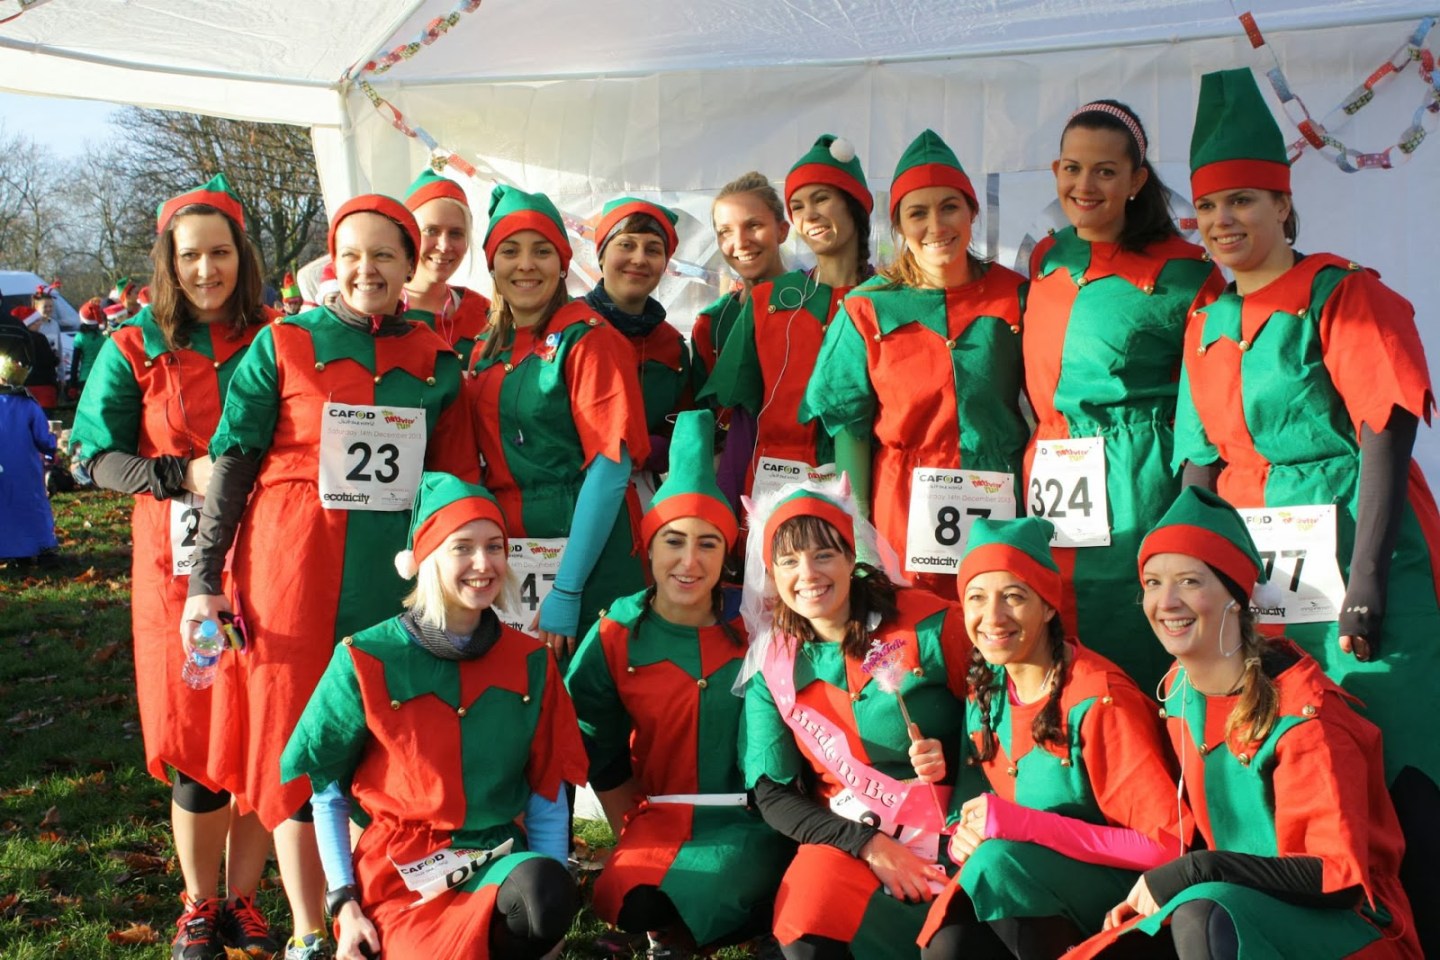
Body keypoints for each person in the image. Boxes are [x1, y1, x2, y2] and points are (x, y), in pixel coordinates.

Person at [1174, 68, 1440, 949]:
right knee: (1296, 755)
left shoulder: (1343, 293)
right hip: (1265, 578)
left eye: (1243, 201)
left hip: (1366, 553)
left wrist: (1367, 583)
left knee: (1398, 752)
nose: (1224, 222)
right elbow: (1199, 476)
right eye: (1209, 207)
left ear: (1284, 205)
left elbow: (1386, 434)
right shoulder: (1205, 321)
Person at [180, 192, 478, 960]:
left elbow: (449, 487)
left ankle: (375, 915)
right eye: (350, 255)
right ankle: (308, 928)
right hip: (290, 574)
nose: (365, 270)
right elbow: (233, 465)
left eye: (383, 255)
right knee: (298, 740)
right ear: (331, 262)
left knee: (385, 737)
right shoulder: (283, 343)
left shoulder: (440, 361)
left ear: (410, 265)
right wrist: (205, 577)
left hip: (392, 582)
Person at [1067, 486, 1421, 959]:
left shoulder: (1306, 718)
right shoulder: (1179, 690)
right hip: (1228, 905)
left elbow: (1337, 879)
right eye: (1152, 582)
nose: (1166, 601)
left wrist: (1199, 869)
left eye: (1189, 582)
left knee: (1203, 915)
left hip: (1348, 930)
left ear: (1235, 598)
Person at [69, 173, 279, 960]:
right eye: (190, 255)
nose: (205, 270)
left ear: (242, 257)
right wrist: (176, 473)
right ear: (167, 260)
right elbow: (93, 455)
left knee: (259, 727)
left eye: (220, 252)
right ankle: (199, 903)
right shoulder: (133, 345)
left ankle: (245, 899)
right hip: (177, 570)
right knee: (194, 731)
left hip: (268, 560)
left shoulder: (278, 336)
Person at [280, 472, 587, 960]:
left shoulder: (532, 661)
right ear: (425, 558)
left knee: (541, 895)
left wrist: (553, 920)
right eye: (462, 547)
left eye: (494, 547)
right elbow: (328, 795)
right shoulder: (364, 657)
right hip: (398, 871)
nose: (483, 564)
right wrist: (344, 903)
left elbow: (547, 793)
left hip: (496, 860)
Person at [566, 410, 793, 956]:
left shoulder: (759, 622)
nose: (689, 561)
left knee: (718, 885)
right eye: (673, 541)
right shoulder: (617, 632)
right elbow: (591, 735)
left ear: (726, 553)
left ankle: (749, 917)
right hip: (658, 818)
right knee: (631, 900)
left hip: (752, 821)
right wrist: (627, 823)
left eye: (707, 544)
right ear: (649, 546)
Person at [918, 516, 1186, 959]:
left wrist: (1024, 826)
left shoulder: (1100, 700)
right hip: (1023, 885)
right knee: (951, 938)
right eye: (977, 597)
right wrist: (962, 835)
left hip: (1121, 900)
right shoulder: (986, 683)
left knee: (996, 864)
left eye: (1013, 597)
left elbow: (1166, 847)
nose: (992, 617)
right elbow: (973, 799)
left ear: (1047, 607)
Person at [1021, 101, 1223, 688]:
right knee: (1054, 646)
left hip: (1137, 480)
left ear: (1136, 180)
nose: (1084, 186)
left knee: (1135, 644)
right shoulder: (1049, 256)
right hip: (1051, 477)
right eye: (1072, 168)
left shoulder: (1186, 272)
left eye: (1105, 171)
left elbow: (1207, 402)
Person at [741, 483, 969, 958]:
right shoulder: (772, 666)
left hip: (958, 832)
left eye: (824, 554)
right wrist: (868, 844)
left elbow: (1000, 724)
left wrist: (953, 755)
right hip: (851, 843)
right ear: (772, 573)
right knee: (804, 930)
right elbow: (772, 794)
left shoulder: (932, 623)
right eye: (788, 561)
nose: (808, 574)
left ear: (851, 556)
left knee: (952, 946)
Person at [802, 129, 1028, 601]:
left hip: (1002, 500)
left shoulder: (1015, 295)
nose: (936, 225)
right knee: (912, 631)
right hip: (902, 508)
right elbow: (850, 429)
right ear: (899, 225)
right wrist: (860, 538)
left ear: (972, 211)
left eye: (950, 207)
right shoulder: (866, 308)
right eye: (917, 213)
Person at [466, 184, 650, 657]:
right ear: (492, 264)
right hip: (513, 553)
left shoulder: (589, 341)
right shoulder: (487, 347)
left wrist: (567, 587)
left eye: (542, 251)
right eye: (510, 251)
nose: (526, 264)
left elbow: (610, 469)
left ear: (564, 264)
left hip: (588, 553)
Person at [701, 134, 874, 504]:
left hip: (870, 491)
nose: (809, 214)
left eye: (821, 198)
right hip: (773, 498)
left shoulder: (889, 300)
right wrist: (728, 510)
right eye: (797, 205)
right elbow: (741, 423)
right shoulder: (767, 302)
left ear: (854, 202)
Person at [692, 171, 791, 512]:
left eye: (753, 225)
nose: (741, 242)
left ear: (783, 230)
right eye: (726, 232)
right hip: (731, 481)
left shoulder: (814, 305)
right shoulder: (711, 324)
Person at [583, 196, 693, 490]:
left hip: (641, 490)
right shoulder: (567, 327)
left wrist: (661, 448)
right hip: (568, 486)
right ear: (601, 255)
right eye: (626, 245)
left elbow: (680, 426)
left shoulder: (672, 347)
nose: (639, 259)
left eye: (653, 249)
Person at [402, 168, 491, 365]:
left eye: (456, 233)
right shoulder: (377, 311)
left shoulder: (485, 315)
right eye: (431, 231)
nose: (444, 246)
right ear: (406, 234)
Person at [0, 353, 58, 564]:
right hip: (26, 468)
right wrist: (54, 445)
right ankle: (38, 548)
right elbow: (44, 440)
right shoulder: (29, 405)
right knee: (30, 507)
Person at [67, 298, 107, 400]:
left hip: (86, 377)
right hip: (102, 376)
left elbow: (75, 363)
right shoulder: (103, 336)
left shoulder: (80, 337)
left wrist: (72, 385)